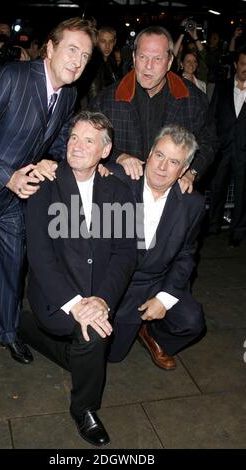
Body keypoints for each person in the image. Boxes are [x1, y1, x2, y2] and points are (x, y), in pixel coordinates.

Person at [0, 17, 97, 365]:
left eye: (85, 55)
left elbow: (61, 137)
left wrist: (93, 160)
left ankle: (6, 331)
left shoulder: (69, 94)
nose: (77, 61)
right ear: (49, 48)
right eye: (71, 49)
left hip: (12, 199)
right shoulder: (12, 78)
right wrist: (8, 177)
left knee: (13, 263)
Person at [20, 111, 137, 446]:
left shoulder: (118, 190)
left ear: (105, 150)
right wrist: (77, 305)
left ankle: (25, 328)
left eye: (89, 140)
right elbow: (40, 257)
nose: (77, 145)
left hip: (98, 294)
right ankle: (84, 408)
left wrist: (101, 299)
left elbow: (125, 254)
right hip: (56, 298)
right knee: (94, 335)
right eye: (74, 137)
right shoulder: (46, 185)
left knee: (93, 340)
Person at [106, 124, 206, 370]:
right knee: (112, 356)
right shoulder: (117, 179)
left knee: (192, 321)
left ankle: (154, 335)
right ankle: (133, 326)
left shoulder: (192, 203)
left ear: (183, 170)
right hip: (118, 282)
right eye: (159, 155)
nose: (162, 167)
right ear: (149, 153)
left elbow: (186, 256)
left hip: (157, 279)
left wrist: (163, 298)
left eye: (173, 162)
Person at [90, 25, 216, 194]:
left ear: (170, 61)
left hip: (170, 196)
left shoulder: (192, 99)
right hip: (121, 194)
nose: (148, 66)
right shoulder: (107, 100)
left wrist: (191, 172)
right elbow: (90, 142)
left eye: (157, 59)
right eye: (143, 57)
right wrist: (119, 156)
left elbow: (209, 141)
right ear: (134, 57)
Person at [208, 46, 246, 247]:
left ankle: (237, 231)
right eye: (242, 64)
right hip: (222, 148)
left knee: (242, 192)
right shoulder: (222, 87)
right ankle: (213, 225)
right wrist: (214, 144)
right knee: (217, 188)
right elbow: (212, 117)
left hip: (243, 150)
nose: (245, 68)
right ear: (235, 65)